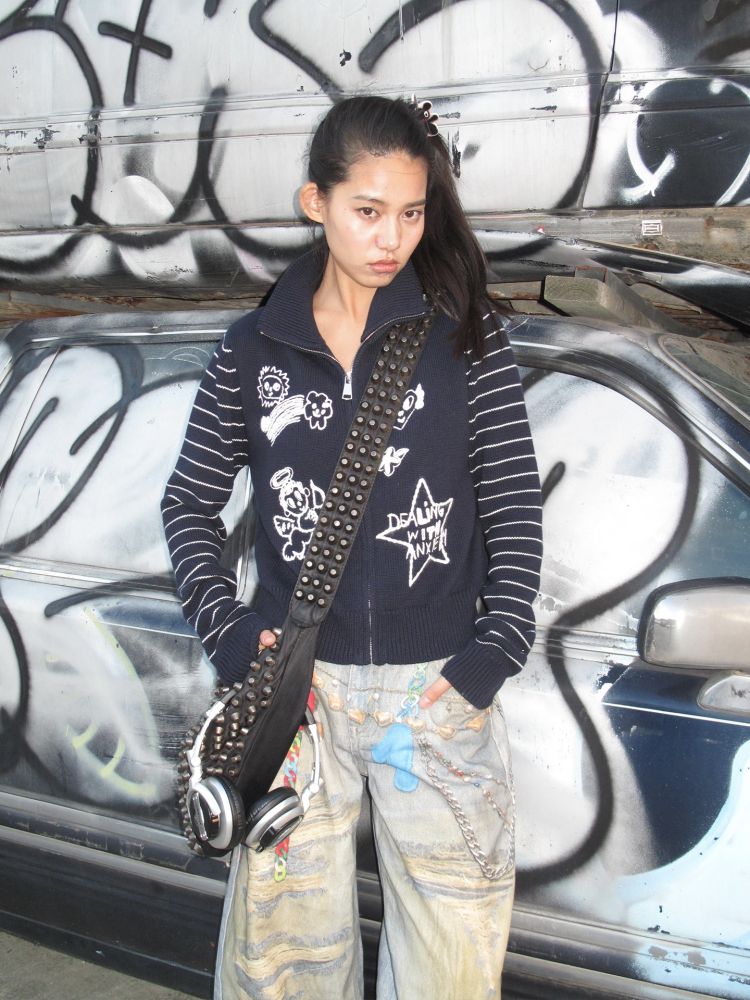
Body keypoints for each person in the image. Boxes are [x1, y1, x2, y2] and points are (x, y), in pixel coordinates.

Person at [162, 95, 542, 1000]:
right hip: (300, 700)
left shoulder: (465, 338)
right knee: (283, 970)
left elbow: (514, 501)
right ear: (316, 203)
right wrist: (230, 632)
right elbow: (188, 505)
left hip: (436, 699)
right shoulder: (252, 349)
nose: (392, 239)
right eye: (368, 211)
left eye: (411, 213)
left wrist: (494, 650)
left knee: (451, 971)